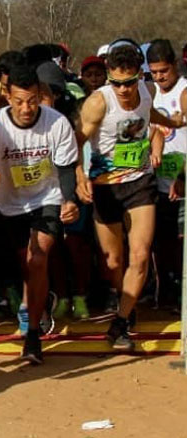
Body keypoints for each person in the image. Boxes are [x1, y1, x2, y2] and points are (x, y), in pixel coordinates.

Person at [76, 42, 183, 350]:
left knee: (139, 254)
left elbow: (151, 119)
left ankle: (120, 322)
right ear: (109, 78)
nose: (124, 89)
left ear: (140, 76)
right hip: (106, 187)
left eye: (129, 82)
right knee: (113, 261)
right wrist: (80, 176)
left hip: (139, 183)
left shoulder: (146, 91)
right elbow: (73, 139)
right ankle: (127, 302)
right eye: (117, 83)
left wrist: (173, 124)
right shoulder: (99, 103)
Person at [0, 65, 79, 364]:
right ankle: (38, 299)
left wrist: (69, 199)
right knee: (27, 266)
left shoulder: (57, 123)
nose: (26, 108)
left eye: (33, 100)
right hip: (9, 205)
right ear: (7, 96)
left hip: (46, 198)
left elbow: (65, 168)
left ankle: (33, 335)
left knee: (37, 259)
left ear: (41, 96)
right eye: (19, 101)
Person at [147, 39, 187, 310]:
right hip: (160, 181)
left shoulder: (184, 91)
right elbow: (152, 131)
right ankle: (167, 292)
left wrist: (183, 176)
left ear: (174, 65)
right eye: (154, 72)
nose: (160, 77)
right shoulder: (151, 94)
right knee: (163, 242)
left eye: (164, 71)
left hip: (182, 179)